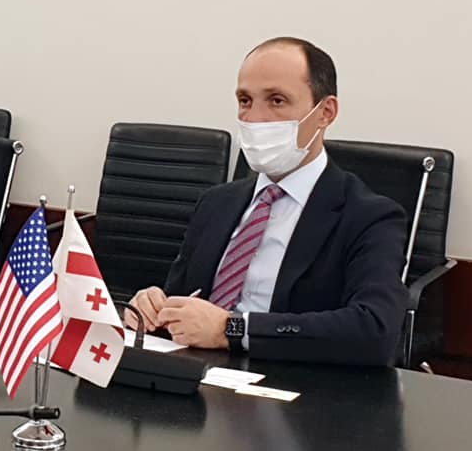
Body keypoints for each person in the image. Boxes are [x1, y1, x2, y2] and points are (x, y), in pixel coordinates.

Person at [126, 37, 407, 366]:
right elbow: (184, 297)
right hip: (195, 375)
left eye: (276, 100)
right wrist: (155, 307)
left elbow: (375, 330)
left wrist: (233, 329)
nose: (254, 118)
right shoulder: (216, 203)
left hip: (292, 382)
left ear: (325, 112)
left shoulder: (369, 216)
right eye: (245, 101)